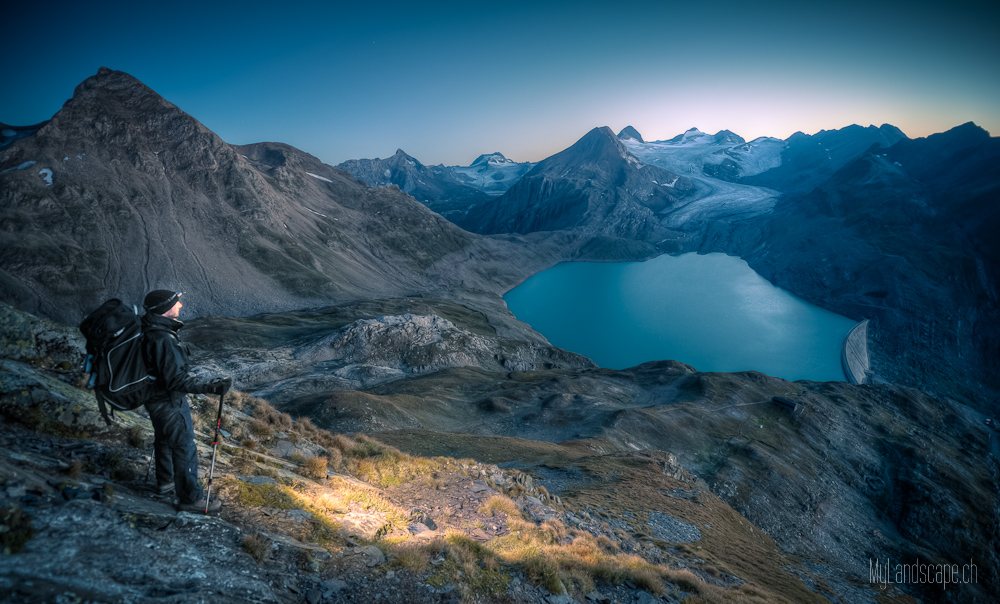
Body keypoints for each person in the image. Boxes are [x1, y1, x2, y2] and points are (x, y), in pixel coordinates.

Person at [141, 289, 231, 513]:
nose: (180, 306)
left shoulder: (150, 329)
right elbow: (176, 381)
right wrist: (211, 387)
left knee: (164, 439)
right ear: (164, 309)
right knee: (184, 446)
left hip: (153, 398)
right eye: (176, 303)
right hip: (168, 401)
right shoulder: (163, 339)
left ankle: (166, 482)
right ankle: (191, 498)